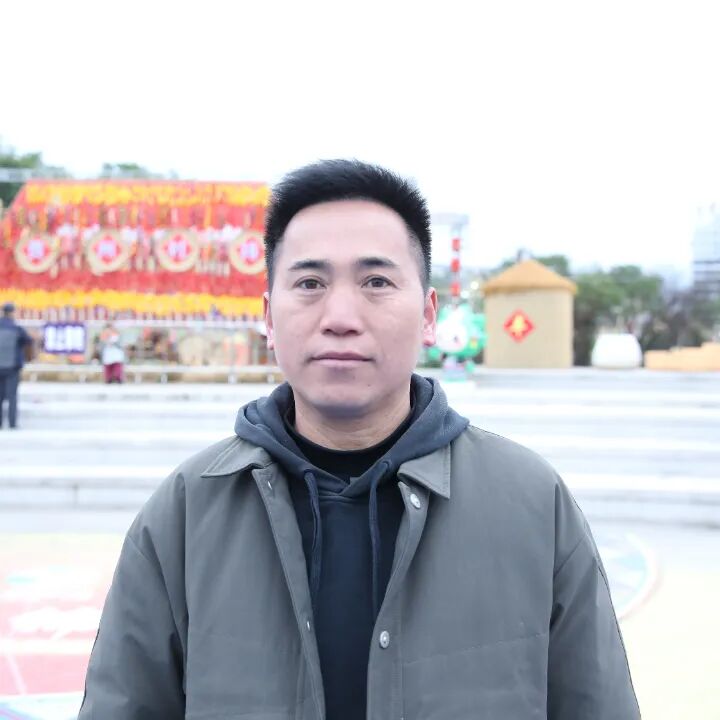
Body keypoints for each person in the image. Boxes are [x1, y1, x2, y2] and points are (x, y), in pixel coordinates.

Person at [79, 160, 640, 719]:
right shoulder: (185, 512)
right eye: (310, 283)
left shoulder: (531, 503)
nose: (341, 317)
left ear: (428, 315)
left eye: (376, 282)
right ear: (269, 317)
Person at [0, 302, 32, 429]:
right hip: (12, 367)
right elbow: (28, 341)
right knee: (12, 396)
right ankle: (12, 423)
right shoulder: (17, 329)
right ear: (12, 313)